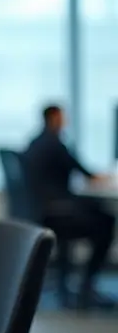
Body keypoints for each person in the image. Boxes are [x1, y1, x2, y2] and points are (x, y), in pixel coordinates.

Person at [24, 104, 116, 309]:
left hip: (46, 210)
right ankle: (88, 284)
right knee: (106, 221)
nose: (65, 120)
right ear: (54, 118)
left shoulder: (36, 142)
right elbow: (83, 171)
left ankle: (78, 281)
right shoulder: (55, 144)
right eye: (62, 116)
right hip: (58, 213)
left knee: (97, 209)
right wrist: (102, 178)